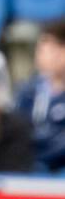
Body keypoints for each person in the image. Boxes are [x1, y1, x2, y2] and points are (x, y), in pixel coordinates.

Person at [13, 18, 65, 173]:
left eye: (53, 50)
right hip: (30, 163)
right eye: (41, 50)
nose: (43, 56)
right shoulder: (28, 91)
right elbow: (17, 130)